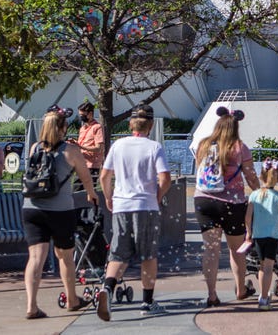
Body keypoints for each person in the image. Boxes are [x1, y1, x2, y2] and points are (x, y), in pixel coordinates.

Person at [96, 103, 172, 320]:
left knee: (119, 253)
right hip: (145, 206)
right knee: (148, 255)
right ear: (151, 124)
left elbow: (104, 176)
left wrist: (109, 197)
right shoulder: (154, 147)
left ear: (131, 124)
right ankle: (147, 302)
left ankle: (108, 289)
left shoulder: (118, 146)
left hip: (121, 206)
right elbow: (165, 178)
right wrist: (157, 196)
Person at [21, 108, 99, 320]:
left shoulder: (34, 148)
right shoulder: (71, 151)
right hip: (60, 210)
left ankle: (31, 305)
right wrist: (92, 195)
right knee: (65, 256)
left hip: (31, 207)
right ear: (63, 128)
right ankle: (72, 300)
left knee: (36, 257)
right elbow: (85, 177)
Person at [193, 106, 260, 307]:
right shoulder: (240, 148)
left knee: (211, 250)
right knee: (236, 249)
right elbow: (250, 177)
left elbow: (199, 169)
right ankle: (240, 289)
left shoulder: (203, 145)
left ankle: (211, 294)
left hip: (203, 201)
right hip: (232, 204)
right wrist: (260, 192)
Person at [244, 159, 278, 311]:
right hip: (272, 236)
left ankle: (263, 295)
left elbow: (248, 217)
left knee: (261, 266)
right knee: (269, 266)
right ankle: (264, 298)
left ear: (261, 177)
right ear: (277, 178)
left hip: (258, 235)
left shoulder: (254, 195)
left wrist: (248, 233)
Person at [76, 101, 105, 182]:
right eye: (80, 115)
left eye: (83, 115)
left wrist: (80, 146)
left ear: (90, 113)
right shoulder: (82, 128)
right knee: (77, 191)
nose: (81, 117)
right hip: (81, 163)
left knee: (87, 191)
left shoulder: (97, 127)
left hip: (92, 165)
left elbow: (99, 148)